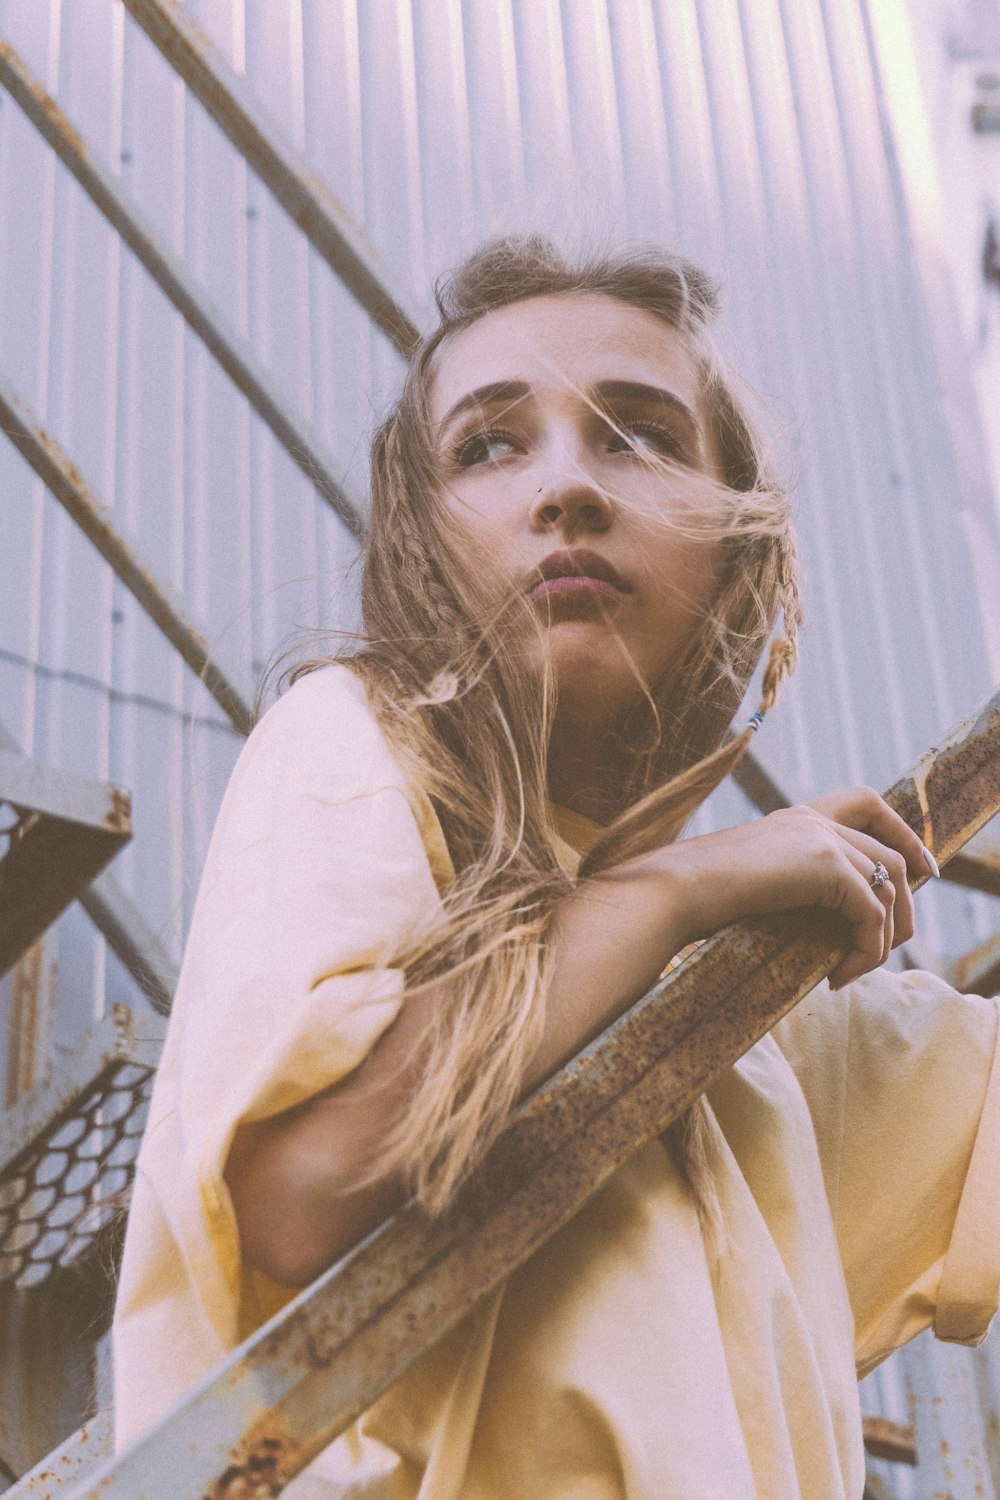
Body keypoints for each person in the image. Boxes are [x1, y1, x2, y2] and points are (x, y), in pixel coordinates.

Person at [112, 237, 1000, 1499]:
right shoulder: (354, 738)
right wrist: (675, 888)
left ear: (737, 548)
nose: (566, 489)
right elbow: (304, 1189)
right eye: (488, 445)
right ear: (418, 543)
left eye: (637, 436)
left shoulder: (769, 1044)